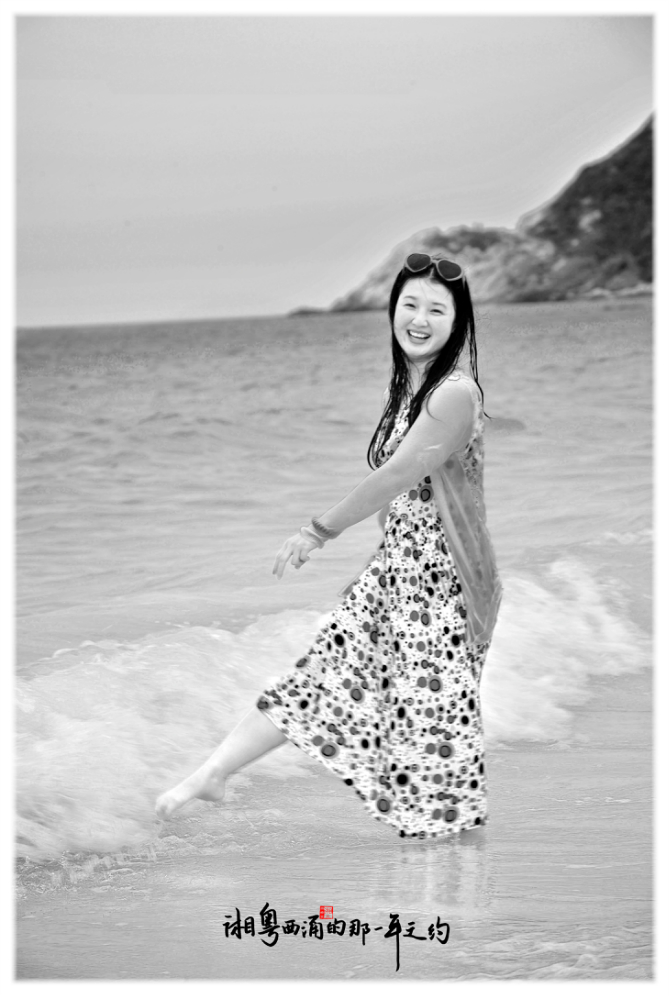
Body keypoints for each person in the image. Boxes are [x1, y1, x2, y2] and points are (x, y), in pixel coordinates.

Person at [156, 253, 502, 839]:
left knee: (434, 745)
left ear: (458, 323)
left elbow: (396, 476)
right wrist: (380, 568)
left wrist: (318, 531)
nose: (419, 319)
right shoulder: (414, 389)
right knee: (320, 679)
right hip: (401, 578)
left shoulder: (453, 393)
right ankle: (213, 772)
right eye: (409, 305)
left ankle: (451, 869)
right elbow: (409, 501)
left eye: (436, 310)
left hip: (446, 591)